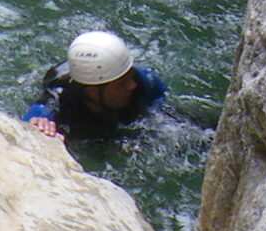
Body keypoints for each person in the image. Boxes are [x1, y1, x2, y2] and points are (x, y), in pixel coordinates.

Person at [23, 27, 168, 144]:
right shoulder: (61, 101)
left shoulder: (141, 79)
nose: (132, 85)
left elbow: (158, 99)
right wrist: (38, 124)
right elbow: (37, 114)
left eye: (130, 76)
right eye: (122, 83)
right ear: (92, 91)